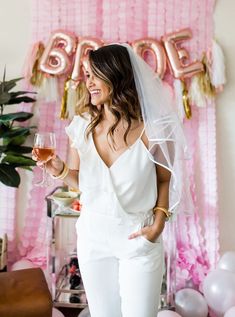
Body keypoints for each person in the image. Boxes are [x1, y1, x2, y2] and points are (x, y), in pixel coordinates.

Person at [35, 44, 187, 317]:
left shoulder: (155, 128)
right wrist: (58, 169)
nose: (88, 82)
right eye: (86, 74)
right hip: (93, 239)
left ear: (115, 75)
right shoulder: (81, 126)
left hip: (138, 240)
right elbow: (84, 183)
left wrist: (158, 225)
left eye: (94, 74)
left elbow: (165, 180)